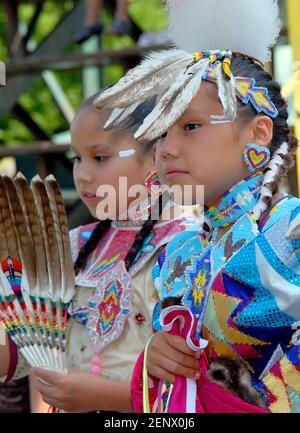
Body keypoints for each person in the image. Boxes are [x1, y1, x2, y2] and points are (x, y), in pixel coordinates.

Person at [94, 0, 300, 413]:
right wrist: (154, 360)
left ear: (257, 134)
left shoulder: (290, 231)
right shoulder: (178, 256)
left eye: (190, 127)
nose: (167, 150)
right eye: (162, 132)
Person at [0, 92, 197, 413]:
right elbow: (28, 347)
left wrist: (109, 397)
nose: (82, 174)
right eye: (77, 158)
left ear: (155, 157)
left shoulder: (185, 250)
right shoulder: (73, 246)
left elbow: (197, 388)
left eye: (100, 157)